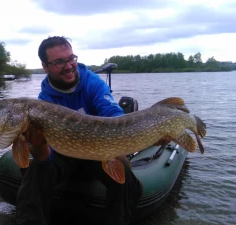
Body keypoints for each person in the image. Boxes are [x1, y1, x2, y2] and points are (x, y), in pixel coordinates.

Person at [15, 36, 143, 225]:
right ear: (45, 66)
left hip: (99, 149)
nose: (68, 66)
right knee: (34, 172)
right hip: (63, 152)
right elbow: (45, 156)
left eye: (71, 58)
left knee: (124, 175)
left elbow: (113, 113)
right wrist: (40, 150)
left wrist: (137, 133)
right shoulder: (44, 100)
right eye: (59, 62)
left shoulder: (93, 83)